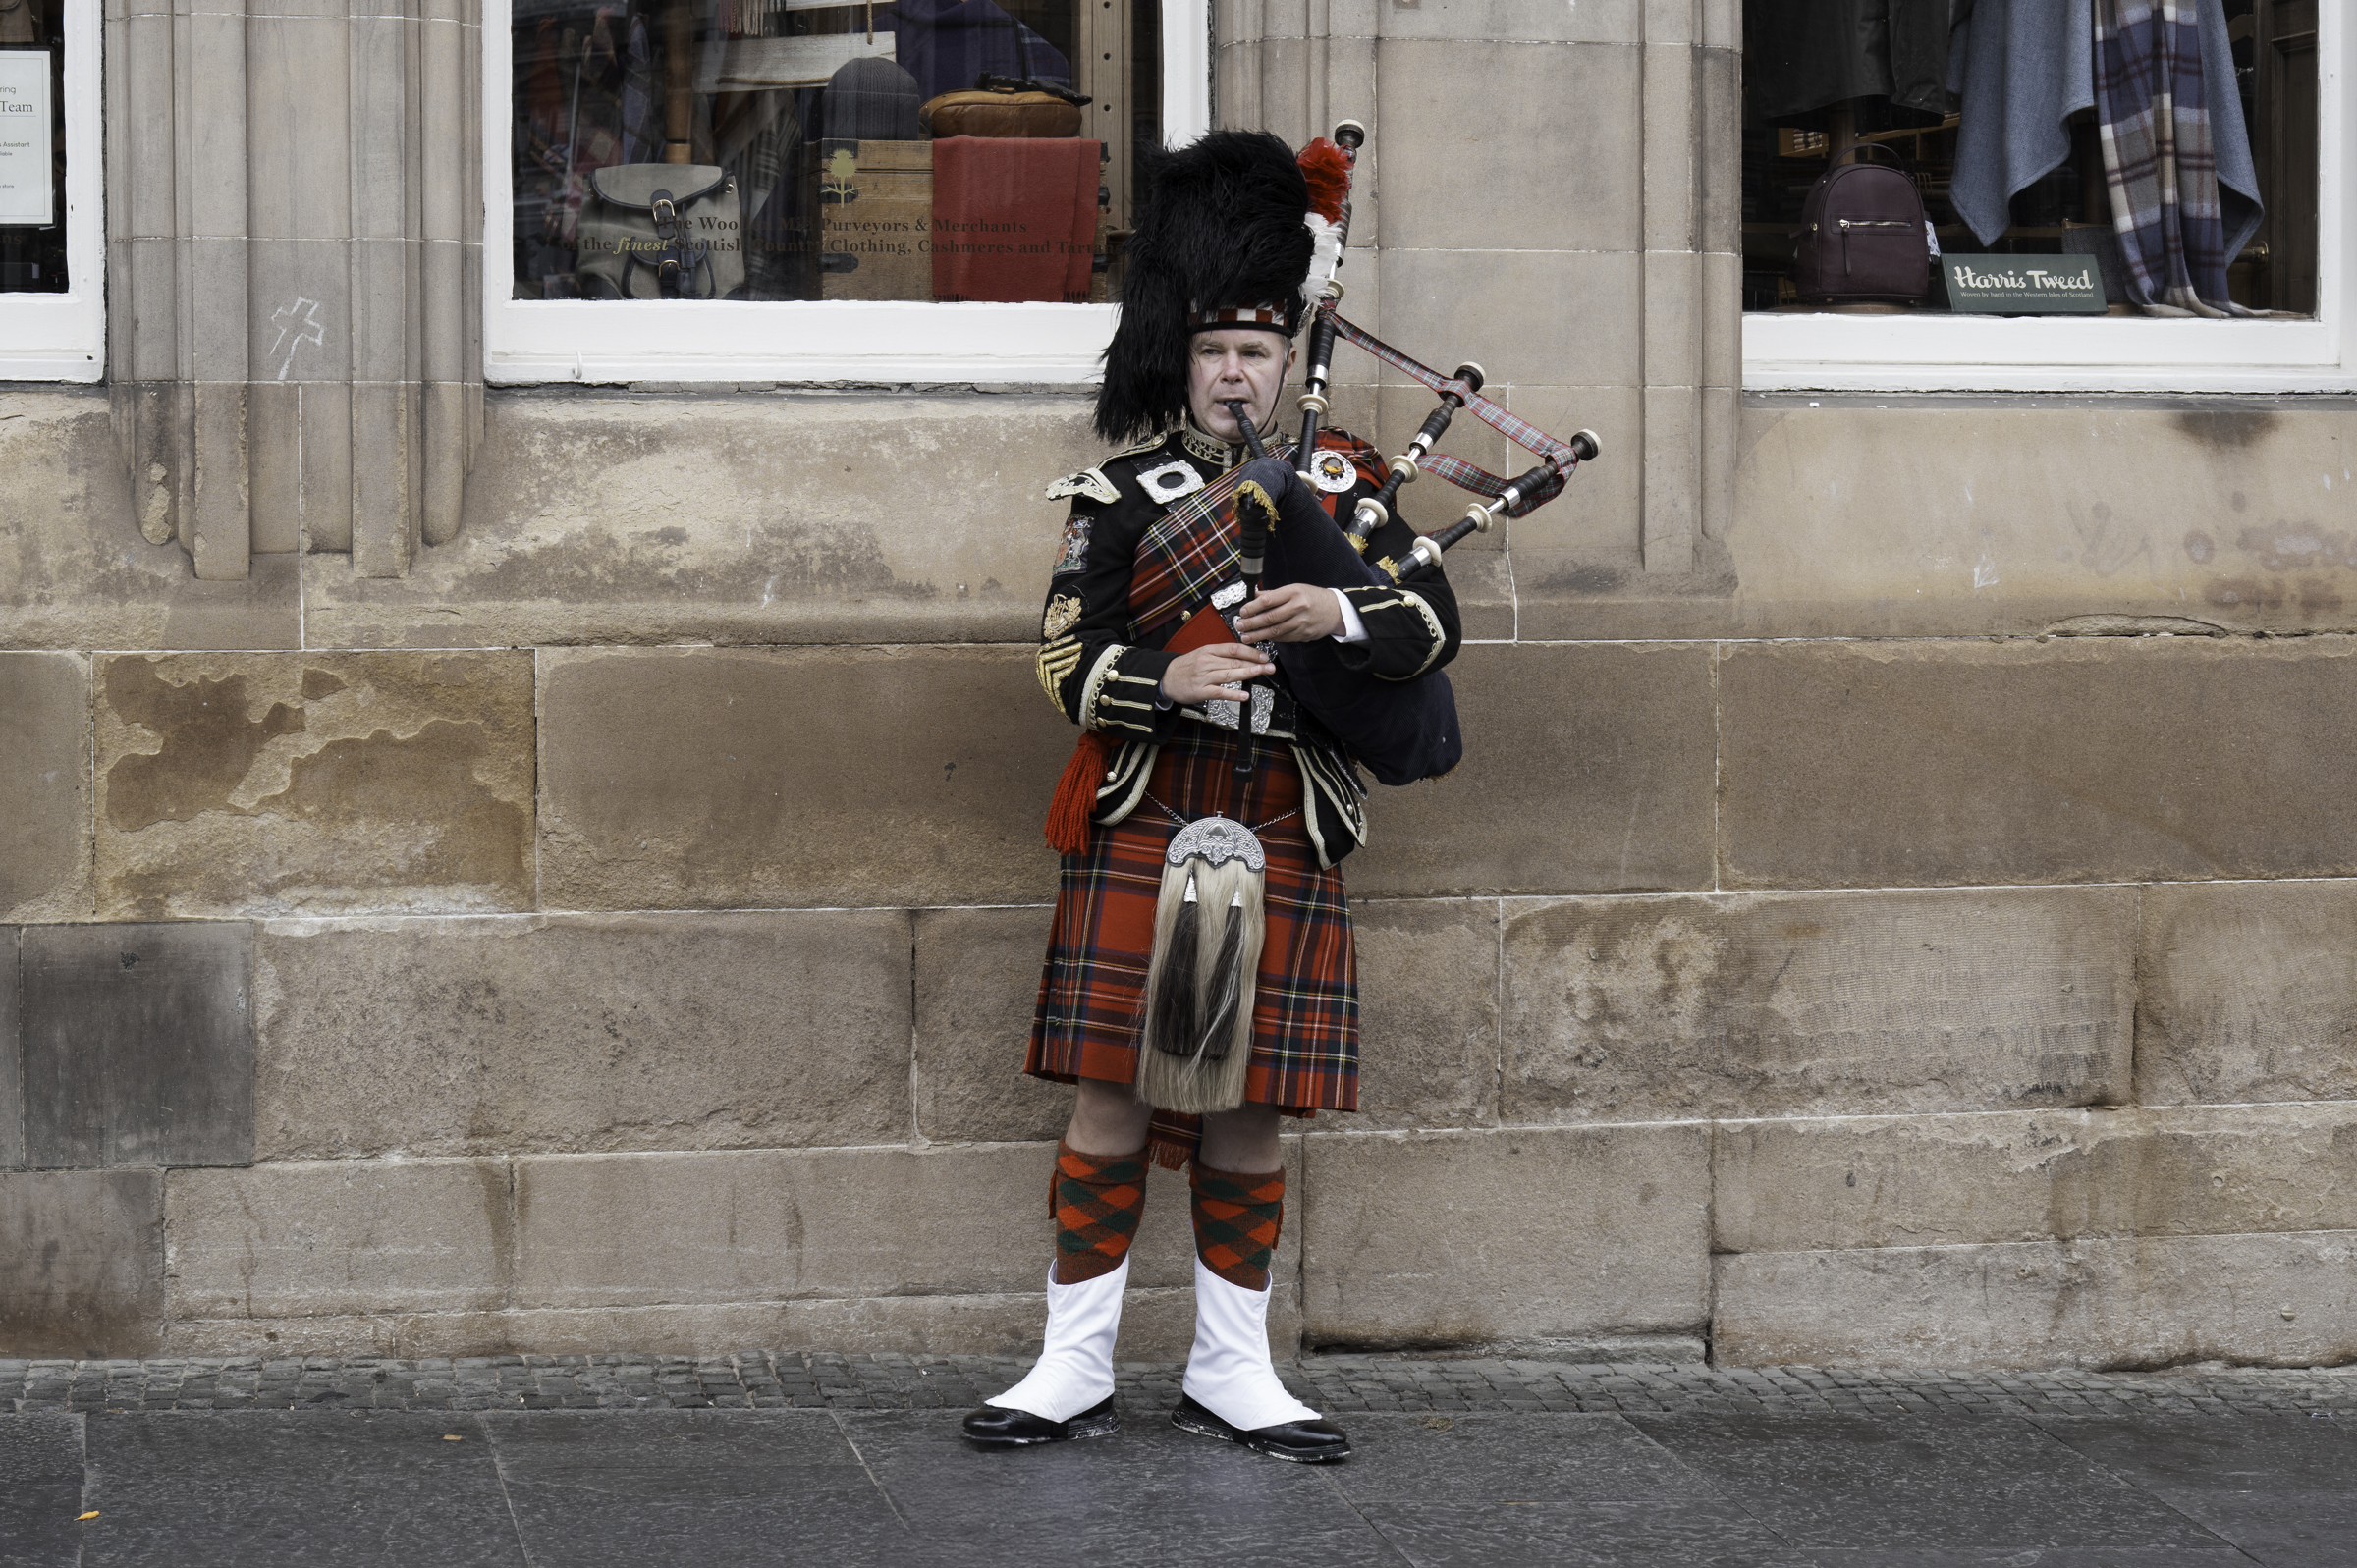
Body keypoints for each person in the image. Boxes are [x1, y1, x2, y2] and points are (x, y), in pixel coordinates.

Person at [960, 130, 1460, 1464]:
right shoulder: (1122, 497)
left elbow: (1432, 629)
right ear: (1182, 359)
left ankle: (1233, 1368)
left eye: (1257, 350)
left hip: (1283, 814)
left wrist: (1341, 612)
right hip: (1154, 810)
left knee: (1250, 1102)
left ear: (1291, 358)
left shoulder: (1345, 491)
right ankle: (1070, 1364)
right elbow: (1063, 658)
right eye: (1214, 351)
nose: (1237, 371)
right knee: (1112, 1092)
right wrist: (1166, 676)